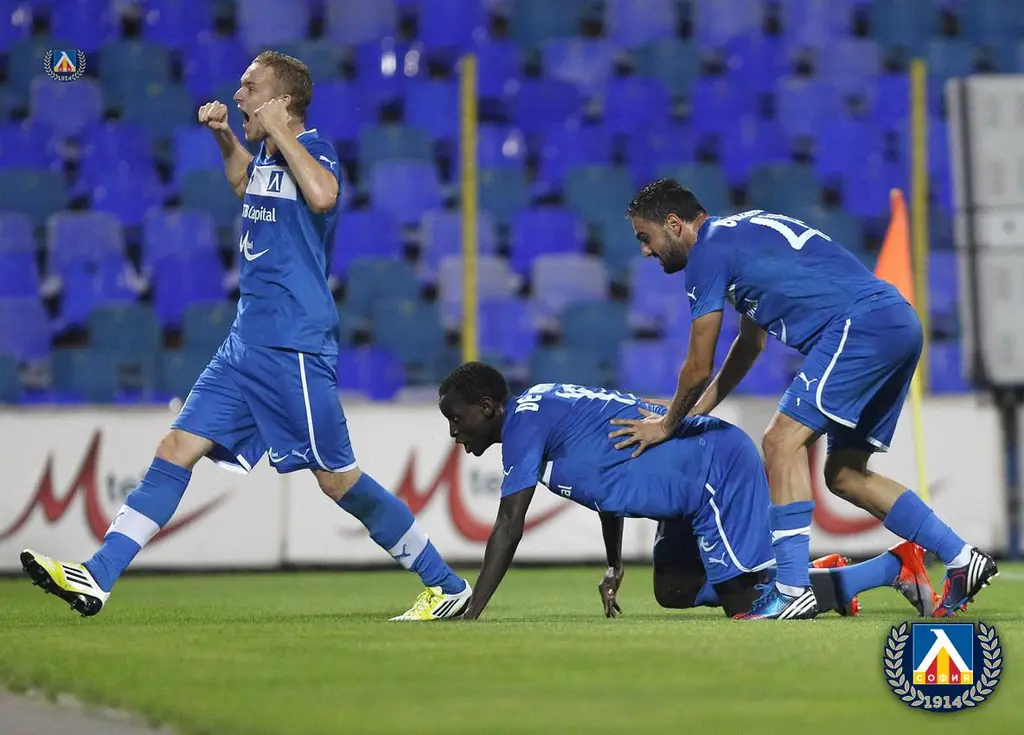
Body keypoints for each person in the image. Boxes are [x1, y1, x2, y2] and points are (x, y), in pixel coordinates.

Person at [20, 51, 471, 621]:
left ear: (282, 101)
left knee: (338, 480)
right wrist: (226, 139)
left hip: (294, 344)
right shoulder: (265, 154)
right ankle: (98, 575)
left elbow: (324, 195)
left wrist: (281, 131)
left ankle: (445, 584)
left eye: (249, 88)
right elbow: (243, 183)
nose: (238, 96)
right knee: (176, 447)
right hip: (245, 343)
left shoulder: (317, 150)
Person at [608, 179, 997, 620]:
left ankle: (792, 589)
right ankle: (961, 557)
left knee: (780, 442)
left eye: (646, 237)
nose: (646, 251)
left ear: (674, 224)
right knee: (845, 474)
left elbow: (698, 365)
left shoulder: (707, 254)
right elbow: (749, 345)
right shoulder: (742, 233)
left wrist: (667, 425)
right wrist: (699, 411)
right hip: (896, 324)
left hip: (860, 327)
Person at [437, 362, 937, 620]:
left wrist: (473, 609)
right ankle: (804, 577)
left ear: (487, 406)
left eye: (457, 419)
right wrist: (613, 564)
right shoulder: (540, 408)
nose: (455, 433)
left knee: (748, 607)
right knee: (673, 591)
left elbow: (509, 525)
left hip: (712, 468)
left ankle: (893, 567)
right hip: (685, 483)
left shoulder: (524, 427)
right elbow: (603, 480)